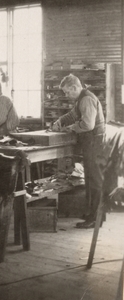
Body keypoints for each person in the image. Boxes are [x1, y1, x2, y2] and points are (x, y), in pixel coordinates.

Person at [50, 74, 106, 228]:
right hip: (91, 143)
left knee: (94, 179)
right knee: (91, 178)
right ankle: (93, 214)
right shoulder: (80, 99)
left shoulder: (86, 99)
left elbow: (88, 125)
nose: (66, 95)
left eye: (67, 92)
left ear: (74, 87)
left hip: (95, 142)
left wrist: (70, 128)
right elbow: (73, 114)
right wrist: (60, 121)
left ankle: (95, 218)